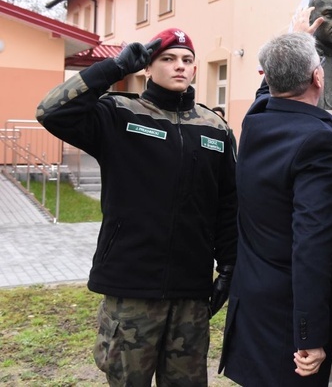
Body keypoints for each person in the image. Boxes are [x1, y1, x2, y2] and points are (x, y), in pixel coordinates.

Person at [36, 27, 238, 386]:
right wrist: (113, 68)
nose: (180, 66)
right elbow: (51, 111)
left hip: (190, 292)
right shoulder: (119, 114)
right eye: (168, 58)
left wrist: (228, 265)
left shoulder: (215, 128)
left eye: (187, 60)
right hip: (130, 289)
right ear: (147, 66)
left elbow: (227, 203)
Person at [219, 32, 332, 385]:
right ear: (317, 77)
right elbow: (311, 244)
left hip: (253, 300)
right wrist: (309, 336)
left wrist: (295, 37)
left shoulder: (256, 120)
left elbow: (268, 91)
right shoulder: (318, 139)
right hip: (288, 316)